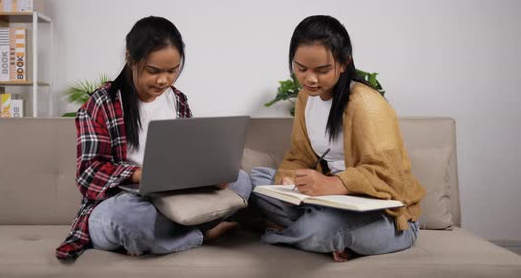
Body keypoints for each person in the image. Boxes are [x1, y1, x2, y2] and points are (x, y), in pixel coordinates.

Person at [56, 16, 251, 261]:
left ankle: (166, 236)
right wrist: (141, 174)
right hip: (125, 202)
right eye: (154, 71)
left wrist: (208, 176)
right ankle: (201, 234)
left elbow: (188, 159)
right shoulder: (101, 103)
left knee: (241, 180)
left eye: (172, 71)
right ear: (130, 58)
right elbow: (89, 174)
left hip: (175, 199)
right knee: (130, 219)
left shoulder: (178, 100)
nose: (164, 80)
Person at [250, 15, 425, 262]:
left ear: (343, 63)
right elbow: (300, 155)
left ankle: (278, 233)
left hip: (386, 216)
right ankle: (319, 231)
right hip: (333, 203)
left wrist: (334, 184)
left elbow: (390, 176)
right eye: (301, 68)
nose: (310, 79)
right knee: (255, 180)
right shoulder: (305, 99)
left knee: (322, 228)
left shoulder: (365, 104)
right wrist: (289, 178)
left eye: (322, 70)